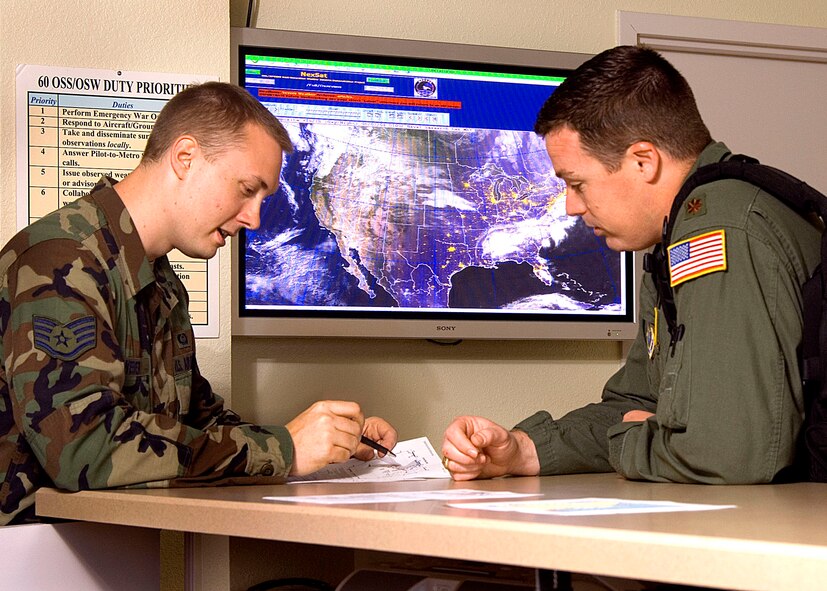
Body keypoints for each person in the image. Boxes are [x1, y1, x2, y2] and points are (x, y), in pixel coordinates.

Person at [0, 81, 397, 525]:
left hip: (108, 542)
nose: (254, 219)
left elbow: (199, 426)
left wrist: (326, 443)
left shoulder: (159, 280)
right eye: (247, 189)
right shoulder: (62, 259)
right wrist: (284, 449)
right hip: (28, 547)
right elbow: (83, 448)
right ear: (185, 157)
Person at [442, 45, 822, 485]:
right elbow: (638, 401)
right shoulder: (673, 238)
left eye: (577, 184)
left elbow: (731, 454)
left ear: (644, 161)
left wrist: (632, 438)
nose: (570, 207)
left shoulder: (716, 229)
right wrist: (521, 450)